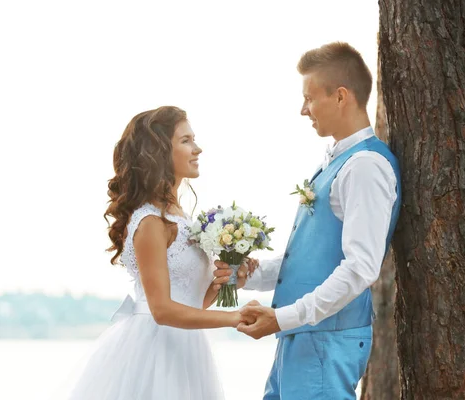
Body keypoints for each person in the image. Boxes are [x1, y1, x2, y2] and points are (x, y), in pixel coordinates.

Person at [214, 42, 402, 399]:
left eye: (310, 98)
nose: (304, 110)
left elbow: (361, 268)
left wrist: (281, 318)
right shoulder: (337, 162)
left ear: (341, 96)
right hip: (302, 336)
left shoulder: (365, 167)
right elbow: (311, 258)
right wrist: (247, 275)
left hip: (324, 342)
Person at [66, 106, 251, 400]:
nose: (197, 148)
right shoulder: (151, 222)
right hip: (154, 351)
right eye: (186, 140)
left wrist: (228, 281)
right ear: (160, 152)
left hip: (185, 348)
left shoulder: (179, 217)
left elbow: (192, 303)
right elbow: (162, 310)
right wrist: (234, 318)